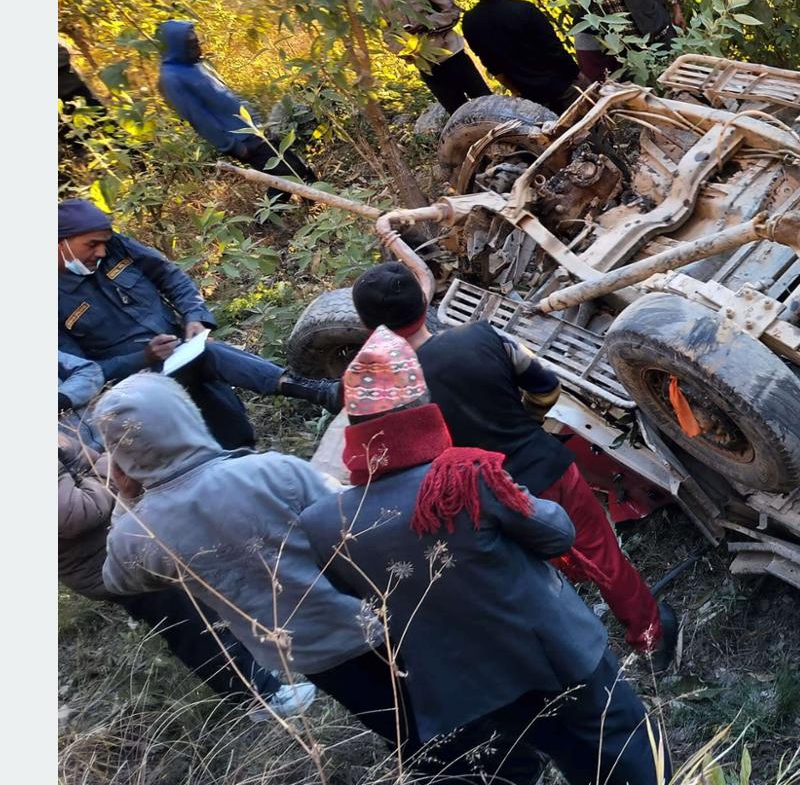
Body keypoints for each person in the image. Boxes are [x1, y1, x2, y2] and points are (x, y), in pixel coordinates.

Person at [300, 330, 671, 785]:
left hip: (467, 686)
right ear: (421, 410)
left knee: (564, 750)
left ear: (354, 428)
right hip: (552, 652)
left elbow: (364, 604)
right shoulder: (464, 473)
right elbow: (556, 533)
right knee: (619, 742)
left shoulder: (322, 522)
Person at [349, 262, 680, 669]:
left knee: (533, 582)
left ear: (370, 328)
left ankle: (577, 664)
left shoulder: (391, 396)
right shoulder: (481, 337)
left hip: (483, 503)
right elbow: (547, 387)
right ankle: (651, 637)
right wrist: (527, 422)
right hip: (546, 468)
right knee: (602, 555)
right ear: (424, 301)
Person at [95, 374, 410, 748]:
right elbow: (356, 525)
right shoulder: (273, 470)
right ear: (187, 415)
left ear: (120, 454)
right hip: (376, 620)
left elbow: (117, 580)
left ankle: (421, 756)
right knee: (434, 699)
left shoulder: (138, 533)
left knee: (392, 723)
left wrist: (126, 500)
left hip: (305, 651)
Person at [59, 408, 316, 723]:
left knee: (207, 605)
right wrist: (104, 472)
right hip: (107, 562)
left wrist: (94, 471)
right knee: (191, 625)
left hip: (129, 539)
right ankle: (260, 698)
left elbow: (100, 463)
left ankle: (257, 666)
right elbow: (78, 512)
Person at [58, 197, 341, 448]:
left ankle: (249, 449)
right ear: (60, 243)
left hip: (182, 351)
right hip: (133, 383)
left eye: (104, 244)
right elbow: (83, 374)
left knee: (232, 427)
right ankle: (317, 391)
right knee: (208, 360)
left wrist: (195, 317)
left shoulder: (116, 246)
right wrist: (141, 357)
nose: (102, 252)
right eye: (92, 245)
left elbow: (169, 276)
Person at [155, 19, 318, 193]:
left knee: (295, 171)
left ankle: (319, 206)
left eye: (196, 41)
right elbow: (199, 119)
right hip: (242, 139)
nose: (198, 46)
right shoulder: (171, 78)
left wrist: (259, 123)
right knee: (286, 178)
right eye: (192, 44)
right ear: (178, 46)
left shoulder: (194, 65)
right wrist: (233, 146)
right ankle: (270, 219)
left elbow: (227, 95)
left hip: (254, 129)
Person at [460, 0, 587, 113]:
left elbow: (493, 66)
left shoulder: (470, 22)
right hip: (562, 85)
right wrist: (576, 73)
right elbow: (554, 49)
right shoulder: (524, 10)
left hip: (530, 99)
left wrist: (516, 91)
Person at [370, 0, 493, 114]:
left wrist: (426, 24)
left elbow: (453, 11)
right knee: (458, 113)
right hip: (426, 65)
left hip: (452, 54)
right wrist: (402, 48)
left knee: (485, 102)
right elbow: (387, 32)